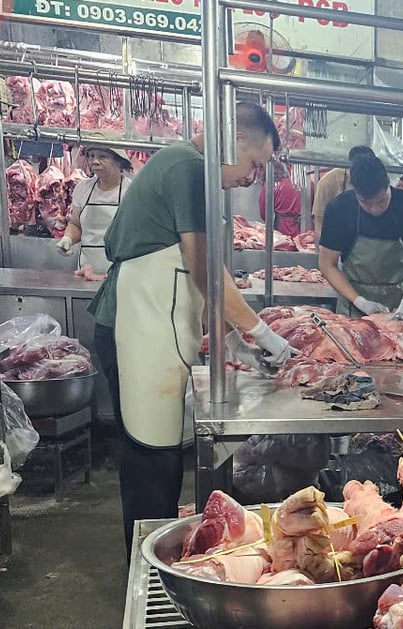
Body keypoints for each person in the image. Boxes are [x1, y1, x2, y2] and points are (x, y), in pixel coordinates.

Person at [89, 101, 297, 549]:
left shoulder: (188, 168)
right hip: (135, 325)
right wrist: (260, 332)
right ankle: (149, 570)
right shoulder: (188, 168)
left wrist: (229, 341)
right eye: (255, 164)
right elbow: (203, 268)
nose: (250, 177)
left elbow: (194, 283)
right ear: (237, 138)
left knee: (161, 458)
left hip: (152, 325)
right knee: (151, 462)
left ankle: (159, 558)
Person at [318, 153, 403, 331]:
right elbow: (327, 264)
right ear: (356, 193)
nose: (375, 208)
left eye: (382, 200)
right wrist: (360, 301)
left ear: (389, 185)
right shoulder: (339, 208)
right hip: (353, 307)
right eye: (366, 203)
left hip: (398, 306)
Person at [56, 140, 133, 274]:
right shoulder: (82, 188)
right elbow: (75, 224)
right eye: (91, 156)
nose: (94, 161)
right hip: (87, 271)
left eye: (102, 157)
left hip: (122, 273)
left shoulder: (132, 190)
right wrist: (68, 238)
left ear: (119, 161)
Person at [312, 145, 375, 236]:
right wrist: (331, 246)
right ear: (349, 166)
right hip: (337, 239)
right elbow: (319, 223)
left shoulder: (375, 180)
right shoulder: (328, 183)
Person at [259, 160, 303, 237]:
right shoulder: (306, 185)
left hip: (281, 229)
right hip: (304, 229)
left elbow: (264, 213)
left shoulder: (270, 185)